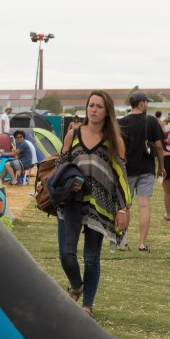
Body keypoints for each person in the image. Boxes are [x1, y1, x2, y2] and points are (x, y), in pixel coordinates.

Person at [56, 90, 129, 318]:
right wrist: (69, 183)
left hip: (100, 205)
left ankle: (87, 305)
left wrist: (123, 208)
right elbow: (61, 166)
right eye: (91, 105)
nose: (93, 109)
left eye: (98, 106)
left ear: (107, 111)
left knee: (91, 258)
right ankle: (77, 285)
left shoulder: (114, 141)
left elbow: (120, 177)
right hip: (71, 202)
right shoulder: (72, 134)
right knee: (66, 255)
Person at [118, 91, 165, 252]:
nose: (147, 105)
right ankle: (142, 244)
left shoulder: (122, 122)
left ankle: (122, 241)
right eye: (146, 102)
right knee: (144, 206)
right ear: (141, 103)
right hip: (147, 169)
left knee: (125, 205)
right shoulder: (151, 121)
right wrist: (161, 167)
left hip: (127, 169)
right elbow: (159, 146)